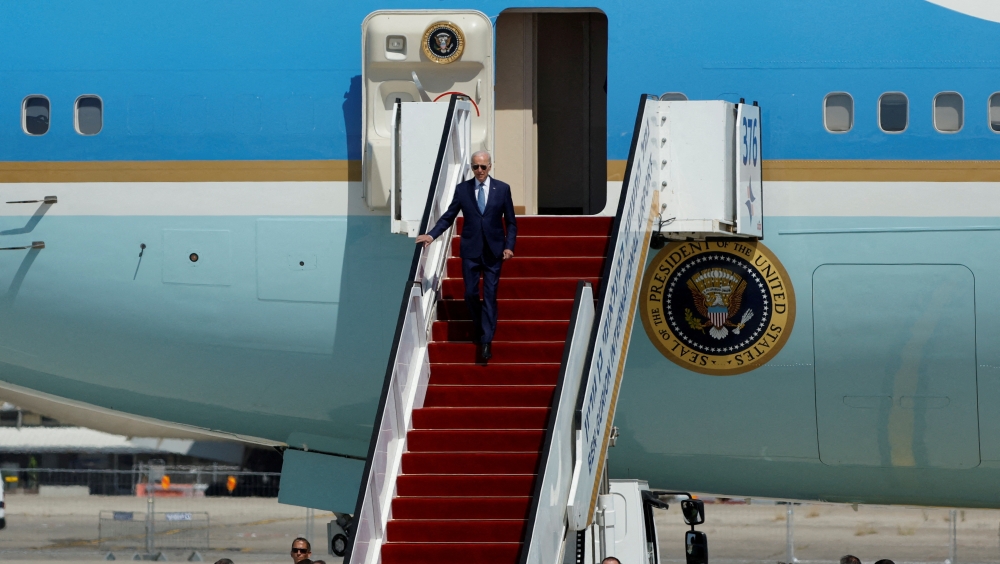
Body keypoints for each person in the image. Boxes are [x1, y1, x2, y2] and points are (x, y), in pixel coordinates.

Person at [416, 150, 517, 361]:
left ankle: (486, 341)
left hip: (494, 250)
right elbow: (449, 216)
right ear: (471, 168)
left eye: (483, 167)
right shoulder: (463, 189)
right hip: (471, 250)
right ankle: (483, 326)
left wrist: (509, 246)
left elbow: (511, 222)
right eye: (475, 167)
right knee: (470, 295)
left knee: (489, 295)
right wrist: (432, 235)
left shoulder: (502, 189)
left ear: (490, 166)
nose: (479, 171)